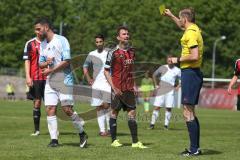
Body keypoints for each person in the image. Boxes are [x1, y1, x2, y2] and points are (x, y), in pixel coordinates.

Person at [37, 17, 87, 147]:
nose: (37, 32)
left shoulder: (62, 40)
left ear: (46, 27)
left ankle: (82, 133)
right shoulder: (42, 44)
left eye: (38, 29)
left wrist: (50, 70)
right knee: (50, 108)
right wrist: (45, 64)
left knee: (67, 109)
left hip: (65, 80)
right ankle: (54, 140)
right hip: (50, 81)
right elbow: (40, 63)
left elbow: (67, 61)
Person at [164, 8, 203, 156]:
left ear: (185, 19)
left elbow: (194, 55)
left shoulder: (191, 33)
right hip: (191, 73)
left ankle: (194, 149)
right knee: (190, 111)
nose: (180, 22)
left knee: (187, 112)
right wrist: (171, 16)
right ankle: (195, 148)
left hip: (190, 73)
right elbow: (181, 26)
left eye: (181, 19)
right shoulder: (194, 28)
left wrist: (177, 59)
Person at [104, 26, 147, 148]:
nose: (126, 36)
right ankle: (114, 140)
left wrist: (135, 86)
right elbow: (106, 71)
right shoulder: (112, 53)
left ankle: (135, 142)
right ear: (118, 37)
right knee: (114, 113)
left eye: (127, 34)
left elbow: (132, 70)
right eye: (124, 34)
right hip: (117, 88)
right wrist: (114, 88)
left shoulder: (132, 52)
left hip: (129, 89)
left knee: (132, 113)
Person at [83, 34, 111, 136]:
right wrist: (88, 78)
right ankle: (102, 131)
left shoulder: (109, 53)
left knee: (107, 106)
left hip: (107, 84)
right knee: (99, 107)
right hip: (96, 85)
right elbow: (85, 66)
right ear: (95, 43)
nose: (98, 43)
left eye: (100, 42)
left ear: (104, 42)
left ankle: (110, 129)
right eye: (97, 42)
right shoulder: (92, 54)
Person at [23, 25, 46, 136]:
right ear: (35, 30)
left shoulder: (50, 42)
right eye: (36, 29)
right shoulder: (30, 43)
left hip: (49, 77)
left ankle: (54, 130)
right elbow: (27, 61)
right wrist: (28, 76)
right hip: (35, 78)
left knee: (52, 104)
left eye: (40, 29)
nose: (38, 31)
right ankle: (37, 130)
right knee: (37, 103)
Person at [149, 55, 181, 130]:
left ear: (174, 61)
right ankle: (152, 125)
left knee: (168, 108)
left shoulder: (177, 70)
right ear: (166, 61)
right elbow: (154, 75)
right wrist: (156, 85)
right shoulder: (163, 67)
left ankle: (166, 126)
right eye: (168, 60)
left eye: (171, 60)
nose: (170, 62)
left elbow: (182, 79)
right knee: (157, 107)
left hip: (170, 90)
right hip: (161, 89)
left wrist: (178, 86)